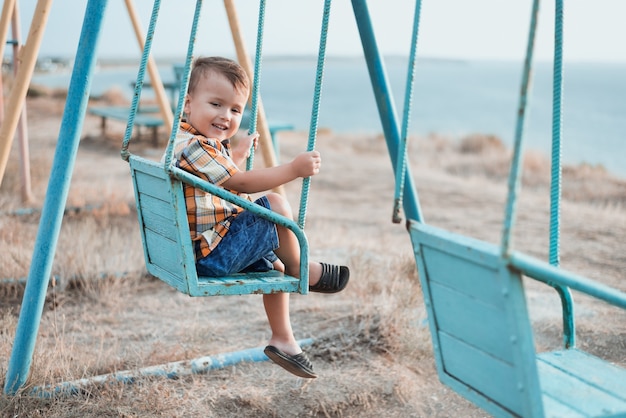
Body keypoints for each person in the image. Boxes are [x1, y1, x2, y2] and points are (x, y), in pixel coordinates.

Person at [171, 56, 349, 378]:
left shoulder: (187, 141)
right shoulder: (196, 148)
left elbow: (216, 185)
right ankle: (302, 268)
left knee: (275, 264)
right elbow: (237, 183)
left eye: (235, 109)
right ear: (188, 103)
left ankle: (284, 340)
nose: (226, 116)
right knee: (277, 207)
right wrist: (293, 169)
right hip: (212, 254)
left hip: (203, 248)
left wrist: (234, 156)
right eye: (215, 103)